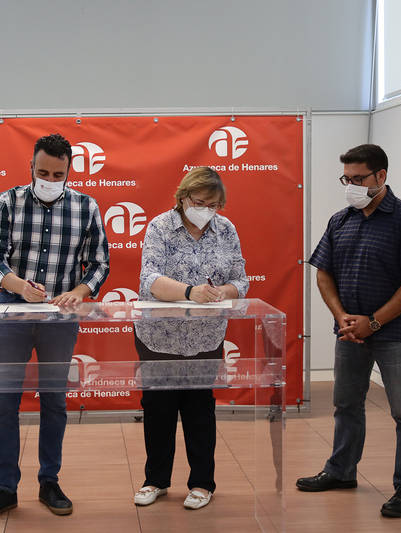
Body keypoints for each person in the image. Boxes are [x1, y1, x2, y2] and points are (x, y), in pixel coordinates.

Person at [0, 133, 110, 522]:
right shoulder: (9, 201)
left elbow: (99, 263)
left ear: (69, 171)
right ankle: (5, 488)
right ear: (31, 167)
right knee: (5, 403)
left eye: (57, 174)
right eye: (43, 172)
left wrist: (78, 292)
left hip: (60, 318)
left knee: (54, 400)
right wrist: (20, 287)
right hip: (12, 310)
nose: (49, 180)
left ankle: (50, 481)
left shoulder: (86, 207)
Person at [296, 144, 401, 518]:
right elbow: (323, 273)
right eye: (346, 179)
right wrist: (343, 316)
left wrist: (372, 322)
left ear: (381, 176)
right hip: (349, 334)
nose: (352, 186)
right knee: (346, 405)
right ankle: (341, 471)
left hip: (396, 335)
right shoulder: (341, 220)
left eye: (359, 179)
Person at [132, 166, 249, 510]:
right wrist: (189, 292)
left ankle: (201, 483)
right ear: (183, 198)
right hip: (159, 336)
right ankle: (155, 480)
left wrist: (223, 291)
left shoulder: (226, 230)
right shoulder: (160, 227)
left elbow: (241, 280)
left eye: (213, 205)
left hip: (205, 336)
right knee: (159, 410)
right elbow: (149, 279)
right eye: (199, 202)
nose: (206, 210)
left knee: (200, 410)